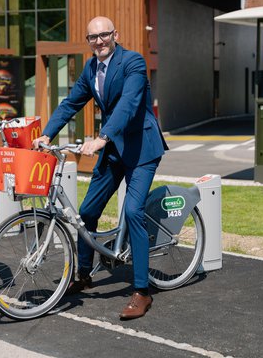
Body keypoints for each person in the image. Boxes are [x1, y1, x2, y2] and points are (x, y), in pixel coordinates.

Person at [32, 16, 167, 320]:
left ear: (114, 35)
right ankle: (83, 274)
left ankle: (142, 291)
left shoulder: (132, 62)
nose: (99, 41)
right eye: (93, 37)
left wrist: (102, 137)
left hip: (141, 149)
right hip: (114, 151)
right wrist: (46, 133)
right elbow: (71, 103)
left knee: (133, 212)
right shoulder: (91, 68)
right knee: (87, 212)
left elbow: (130, 104)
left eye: (104, 35)